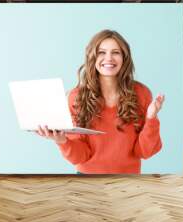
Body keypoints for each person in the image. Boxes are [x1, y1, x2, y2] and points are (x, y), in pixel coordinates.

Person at [37, 29, 164, 174]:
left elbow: (144, 151)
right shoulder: (76, 97)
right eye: (101, 52)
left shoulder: (141, 93)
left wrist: (151, 118)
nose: (108, 58)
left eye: (116, 52)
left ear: (124, 57)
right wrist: (62, 141)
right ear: (92, 57)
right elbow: (80, 156)